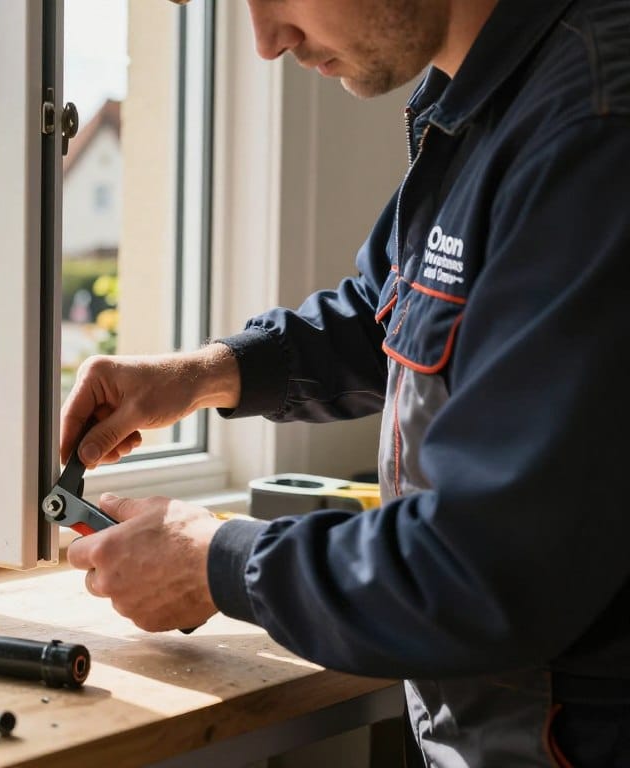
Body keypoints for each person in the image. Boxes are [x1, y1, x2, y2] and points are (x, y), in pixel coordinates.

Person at [62, 0, 630, 765]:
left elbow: (485, 565)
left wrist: (214, 562)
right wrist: (202, 375)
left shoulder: (593, 124)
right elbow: (392, 312)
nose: (267, 42)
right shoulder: (487, 95)